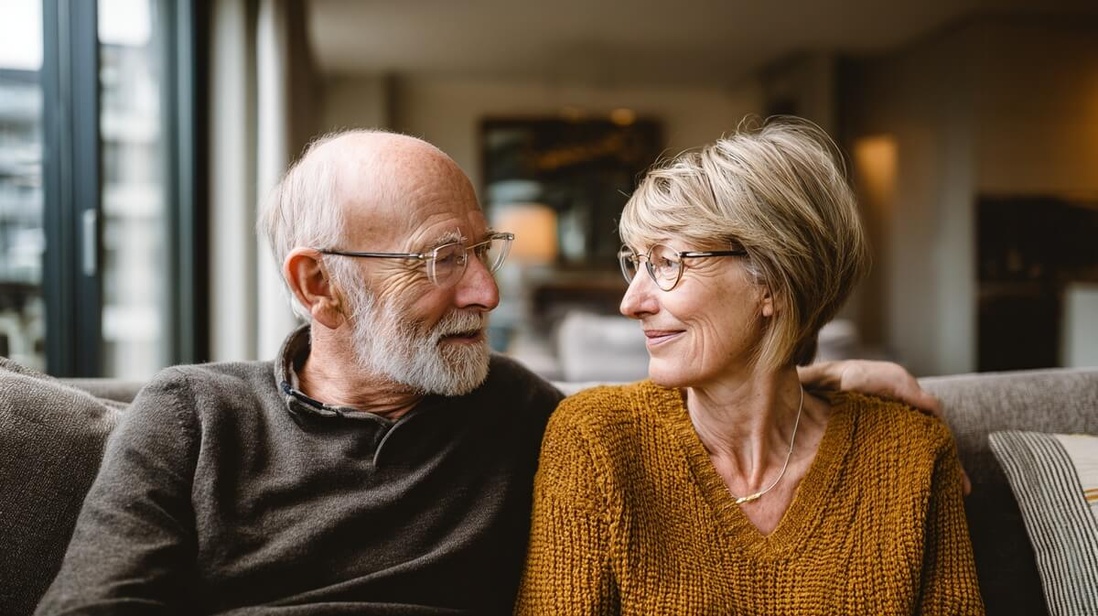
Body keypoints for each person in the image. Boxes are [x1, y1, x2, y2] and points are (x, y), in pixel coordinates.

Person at [37, 129, 950, 615]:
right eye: (441, 259)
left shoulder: (519, 411)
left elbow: (682, 426)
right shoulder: (192, 416)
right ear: (320, 284)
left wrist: (823, 374)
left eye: (484, 249)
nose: (485, 289)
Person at [515, 118, 984, 614]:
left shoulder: (908, 453)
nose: (632, 302)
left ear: (773, 284)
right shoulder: (596, 441)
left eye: (669, 263)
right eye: (636, 261)